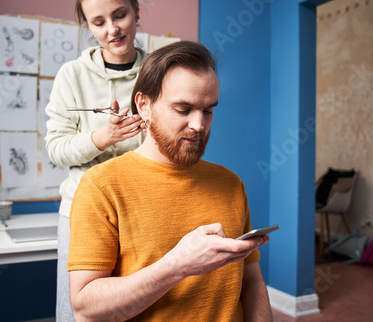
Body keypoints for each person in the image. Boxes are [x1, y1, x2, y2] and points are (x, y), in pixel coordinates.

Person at [67, 41, 273, 321]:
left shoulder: (231, 183)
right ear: (144, 105)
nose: (199, 125)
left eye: (208, 110)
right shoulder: (101, 186)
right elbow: (85, 308)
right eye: (183, 109)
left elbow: (251, 282)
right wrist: (177, 266)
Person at [44, 0, 146, 320]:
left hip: (141, 208)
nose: (112, 30)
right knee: (77, 312)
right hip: (83, 211)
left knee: (139, 305)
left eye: (120, 15)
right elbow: (56, 148)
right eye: (98, 22)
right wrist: (103, 137)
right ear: (88, 25)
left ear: (136, 11)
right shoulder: (71, 75)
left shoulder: (159, 69)